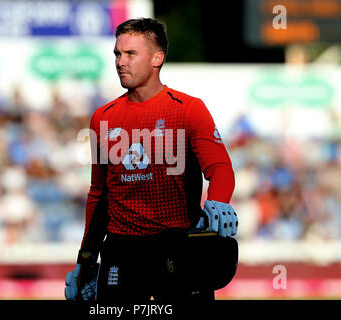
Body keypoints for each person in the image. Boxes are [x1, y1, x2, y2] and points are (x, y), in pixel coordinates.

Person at [65, 17, 238, 302]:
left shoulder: (188, 109)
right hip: (121, 250)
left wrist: (219, 199)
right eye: (118, 54)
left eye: (131, 54)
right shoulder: (103, 117)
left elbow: (220, 168)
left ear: (157, 58)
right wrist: (85, 260)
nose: (121, 62)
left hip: (178, 246)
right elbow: (98, 195)